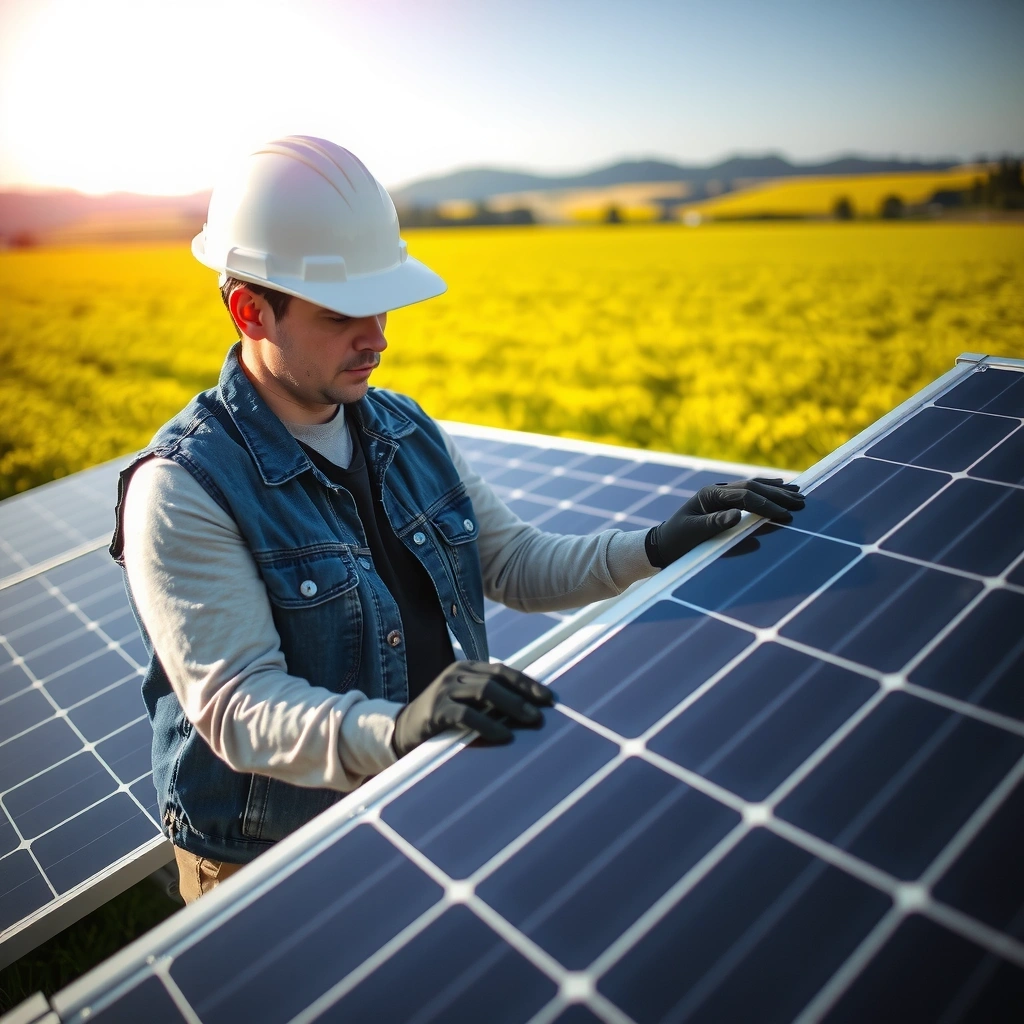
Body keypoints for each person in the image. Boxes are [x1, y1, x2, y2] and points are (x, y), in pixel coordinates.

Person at [110, 136, 804, 903]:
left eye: (382, 306)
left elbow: (512, 562)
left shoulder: (402, 429)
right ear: (251, 310)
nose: (377, 338)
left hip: (419, 794)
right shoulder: (183, 487)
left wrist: (656, 545)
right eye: (342, 314)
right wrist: (401, 730)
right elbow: (240, 709)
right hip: (269, 856)